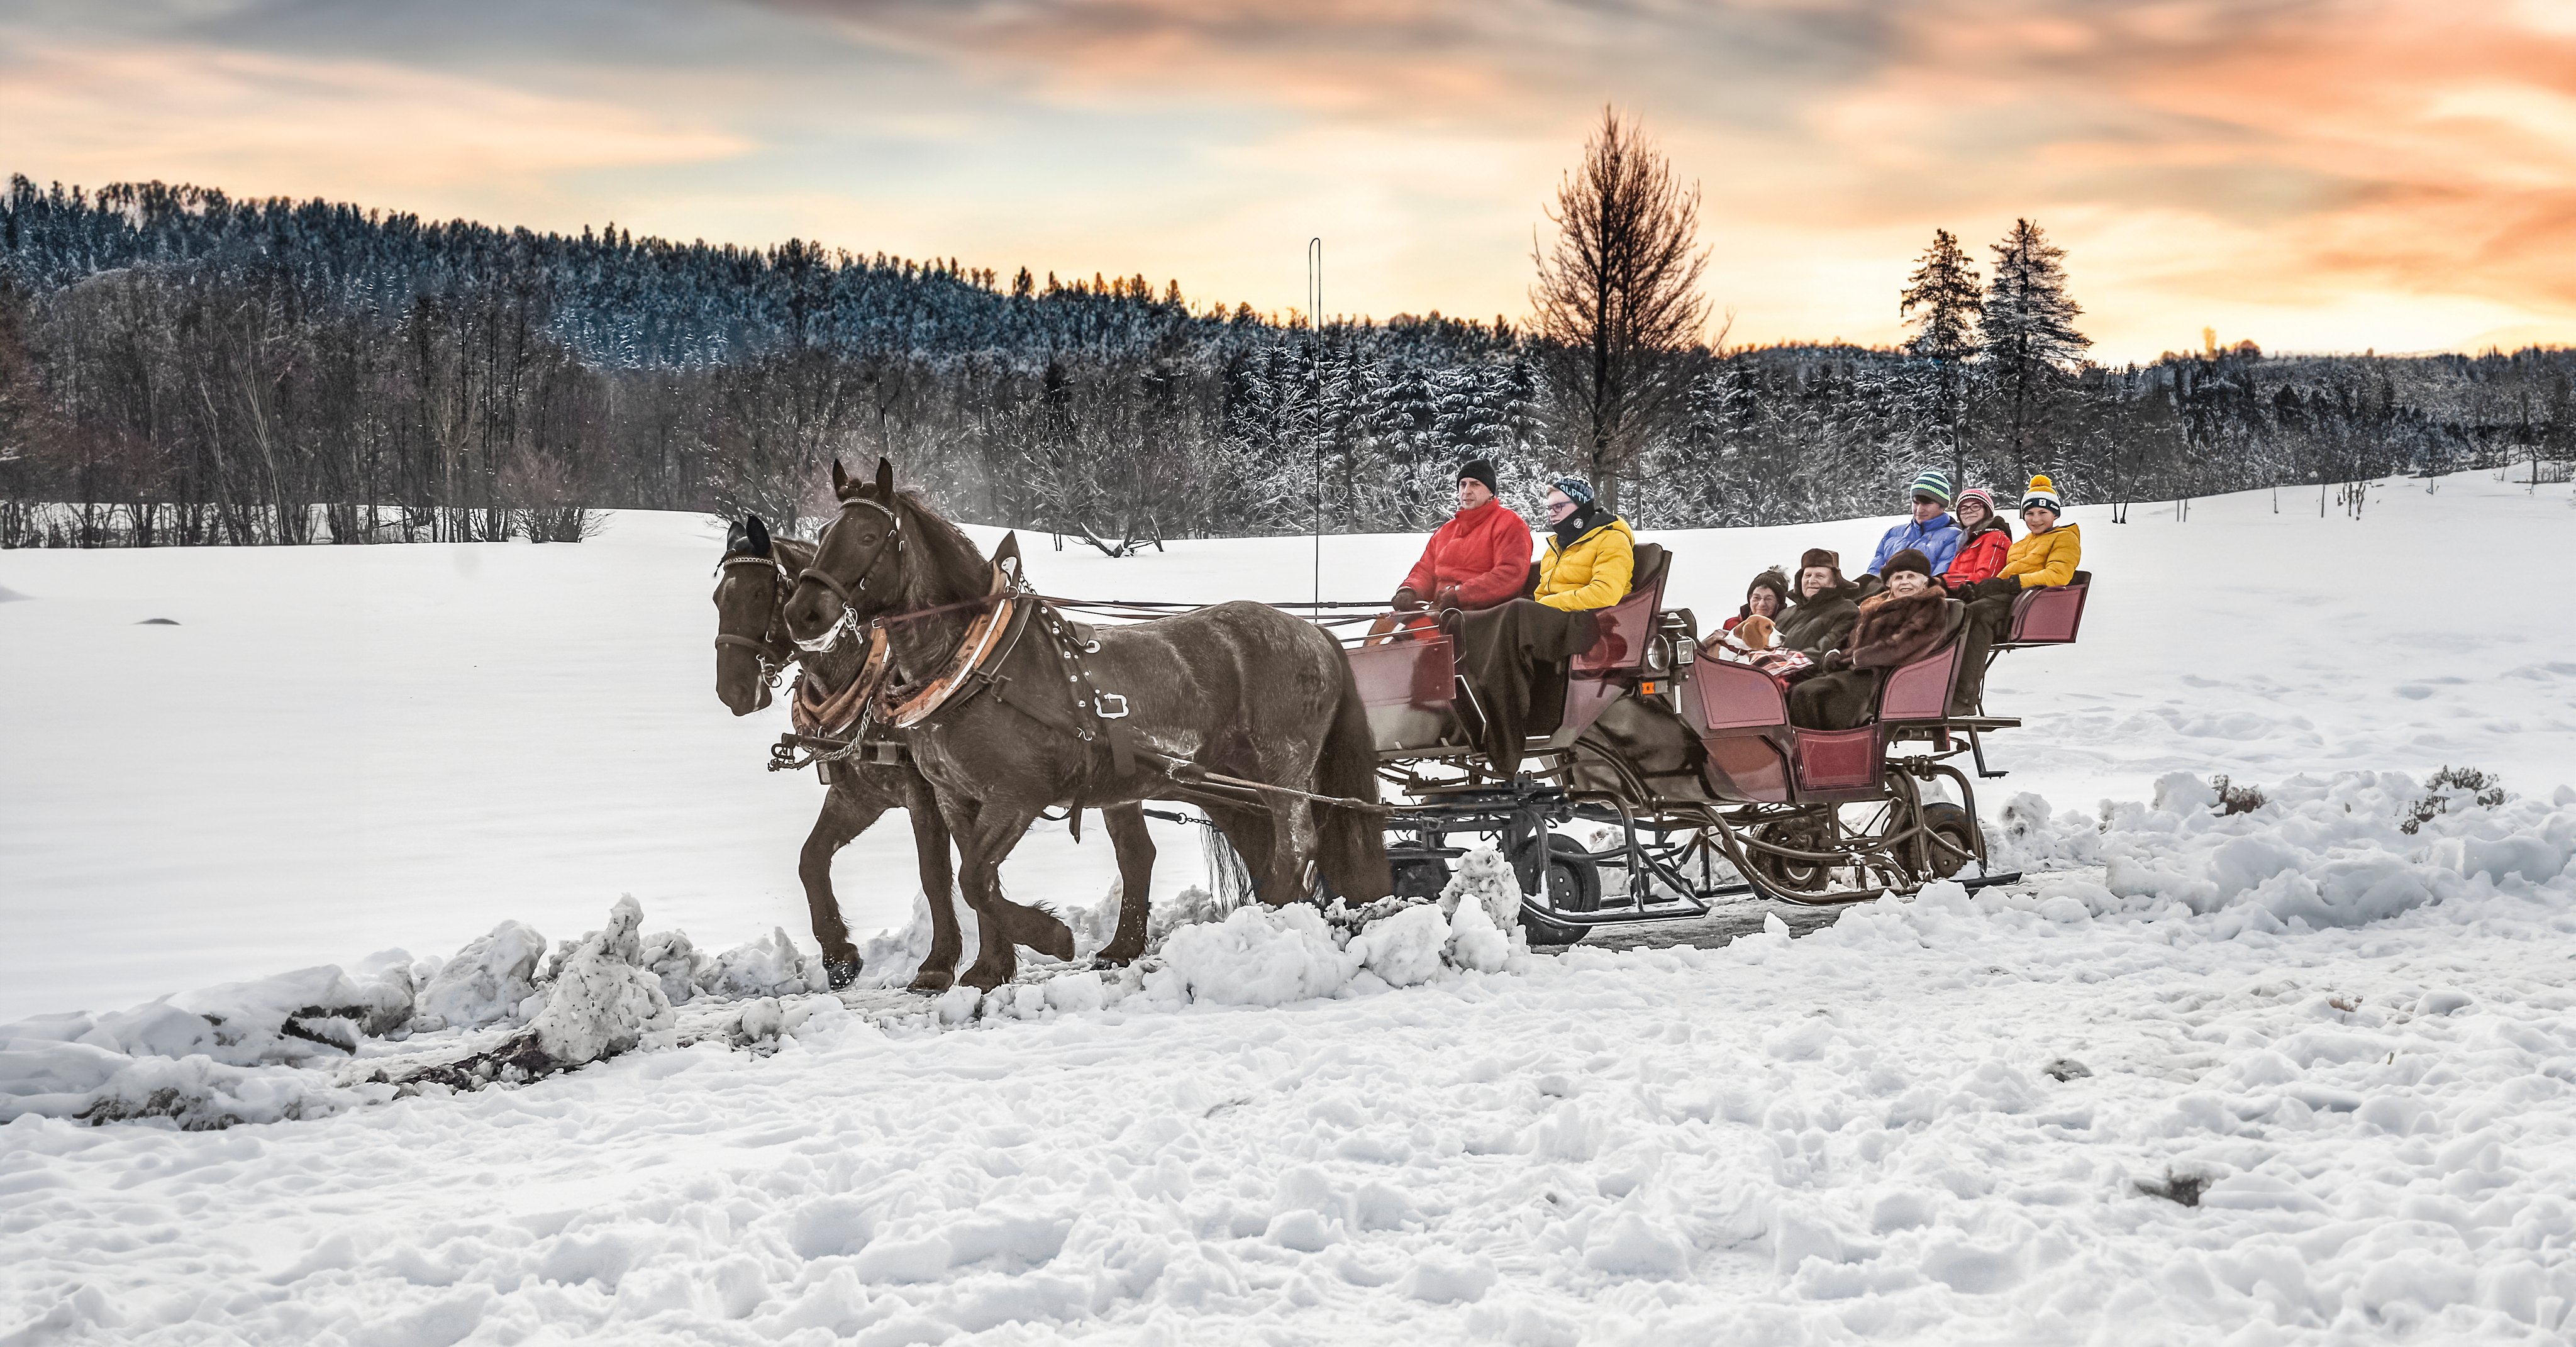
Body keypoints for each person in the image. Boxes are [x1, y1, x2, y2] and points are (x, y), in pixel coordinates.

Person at [1950, 474, 2084, 713]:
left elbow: (2058, 575)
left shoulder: (2065, 538)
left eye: (2043, 513)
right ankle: (1943, 687)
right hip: (2011, 594)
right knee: (1957, 609)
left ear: (2055, 514)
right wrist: (1980, 588)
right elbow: (2003, 575)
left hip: (2029, 600)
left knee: (1977, 614)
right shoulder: (2023, 543)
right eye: (2030, 513)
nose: (2036, 519)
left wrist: (2011, 584)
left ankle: (1964, 697)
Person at [1790, 549, 1958, 729]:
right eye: (1899, 578)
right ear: (1889, 583)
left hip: (1884, 676)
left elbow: (1906, 644)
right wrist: (1837, 651)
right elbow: (1852, 636)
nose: (1905, 582)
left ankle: (1827, 749)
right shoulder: (1876, 605)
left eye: (1911, 576)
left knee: (1811, 693)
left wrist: (1859, 657)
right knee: (1797, 688)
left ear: (1924, 582)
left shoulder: (1930, 606)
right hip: (1858, 670)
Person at [1390, 458, 1535, 616]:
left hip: (1486, 614)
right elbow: (1426, 570)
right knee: (1388, 628)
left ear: (1491, 492)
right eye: (1463, 484)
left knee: (1421, 637)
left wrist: (1461, 594)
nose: (1467, 491)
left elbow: (1510, 574)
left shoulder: (1509, 524)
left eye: (1475, 484)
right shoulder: (1446, 531)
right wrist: (1410, 590)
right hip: (1442, 610)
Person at [1531, 477, 1634, 611]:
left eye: (1558, 507)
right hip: (1554, 616)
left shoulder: (1612, 539)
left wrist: (1546, 605)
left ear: (1581, 505)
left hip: (1591, 619)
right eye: (1549, 508)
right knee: (1509, 611)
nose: (1551, 513)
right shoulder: (1557, 546)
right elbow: (1542, 593)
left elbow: (1606, 593)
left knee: (1516, 612)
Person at [1864, 468, 1963, 580]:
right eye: (1916, 502)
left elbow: (1937, 580)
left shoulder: (1954, 536)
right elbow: (1872, 577)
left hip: (1920, 595)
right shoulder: (1893, 533)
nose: (1919, 510)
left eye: (1927, 504)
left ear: (1942, 506)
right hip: (1881, 594)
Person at [1773, 548, 1862, 658]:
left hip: (1805, 673)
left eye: (1820, 576)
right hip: (1766, 671)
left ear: (1835, 583)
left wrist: (1783, 663)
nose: (1811, 581)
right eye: (1808, 576)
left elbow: (1822, 652)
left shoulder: (1846, 611)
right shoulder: (1784, 614)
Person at [1940, 487, 2012, 592]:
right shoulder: (1966, 542)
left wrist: (1944, 581)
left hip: (1979, 598)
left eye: (1975, 506)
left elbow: (1987, 578)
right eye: (1964, 508)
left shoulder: (1996, 537)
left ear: (1987, 510)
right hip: (1960, 595)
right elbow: (1953, 574)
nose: (1969, 511)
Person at [1712, 570, 1790, 651]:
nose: (1761, 604)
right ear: (1750, 599)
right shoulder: (1731, 625)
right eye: (1756, 598)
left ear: (1779, 604)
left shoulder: (1789, 627)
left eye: (1769, 599)